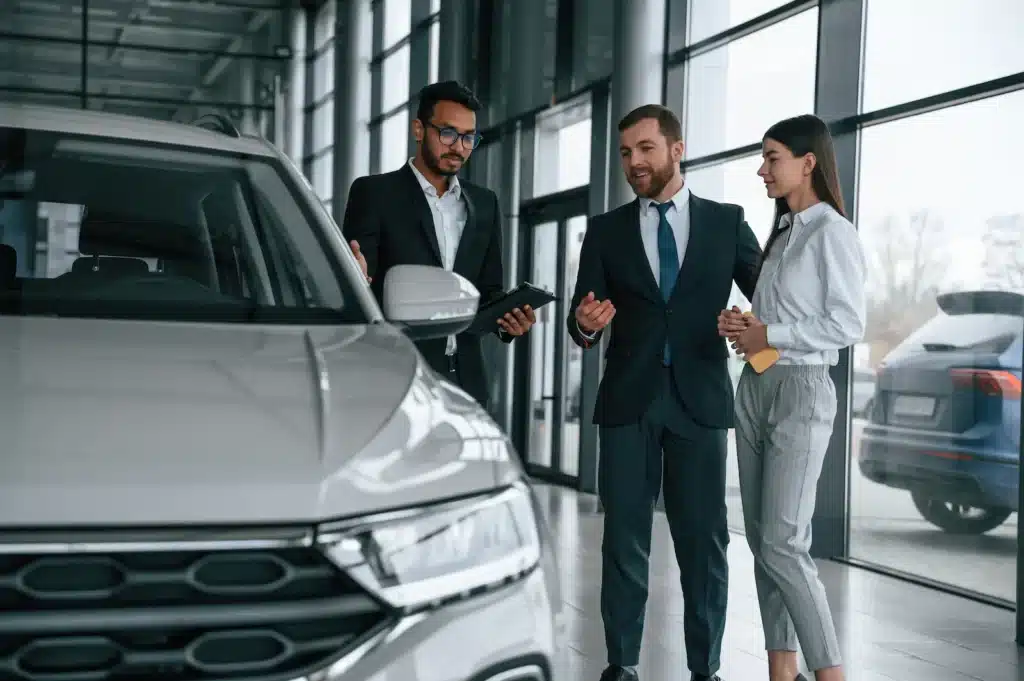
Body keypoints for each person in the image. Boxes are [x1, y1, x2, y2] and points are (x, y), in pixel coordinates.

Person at [568, 103, 762, 681]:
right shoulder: (605, 230)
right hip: (628, 403)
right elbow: (582, 322)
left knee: (704, 546)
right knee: (623, 541)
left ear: (677, 149)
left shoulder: (727, 222)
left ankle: (706, 669)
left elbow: (772, 306)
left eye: (645, 149)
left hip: (700, 403)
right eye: (626, 153)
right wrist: (586, 323)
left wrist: (763, 348)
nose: (634, 162)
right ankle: (621, 665)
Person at [717, 114, 867, 681]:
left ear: (809, 162)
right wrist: (746, 325)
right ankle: (782, 671)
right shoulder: (783, 232)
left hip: (802, 391)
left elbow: (848, 323)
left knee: (784, 541)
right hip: (757, 382)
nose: (762, 168)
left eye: (772, 157)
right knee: (761, 540)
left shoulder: (834, 233)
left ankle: (828, 673)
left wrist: (770, 334)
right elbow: (778, 322)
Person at [342, 80, 535, 409]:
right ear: (419, 129)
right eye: (447, 133)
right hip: (397, 376)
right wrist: (354, 275)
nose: (458, 146)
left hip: (467, 380)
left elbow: (488, 291)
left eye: (468, 137)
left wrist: (508, 321)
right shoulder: (375, 194)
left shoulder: (484, 204)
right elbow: (358, 291)